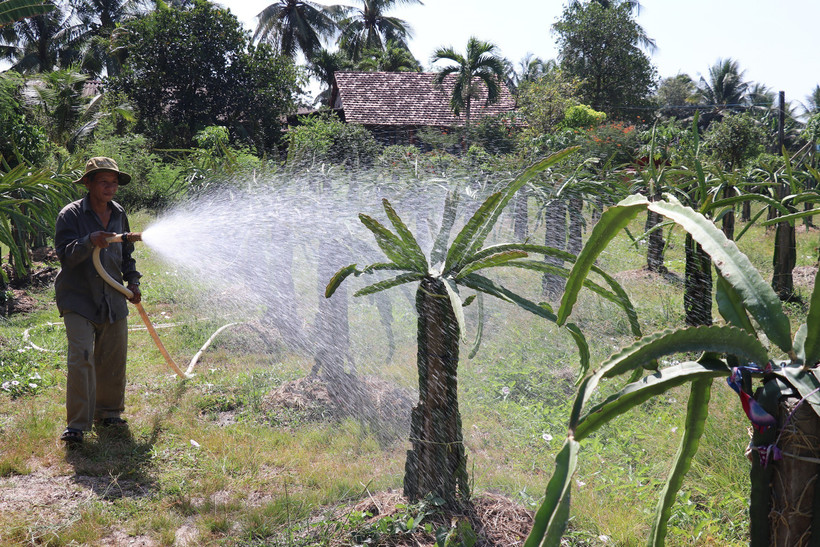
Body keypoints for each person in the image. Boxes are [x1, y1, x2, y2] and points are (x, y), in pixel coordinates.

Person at [54, 157, 142, 444]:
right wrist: (89, 240)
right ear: (88, 183)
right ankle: (77, 425)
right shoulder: (71, 215)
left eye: (114, 182)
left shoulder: (119, 213)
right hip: (78, 297)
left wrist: (132, 282)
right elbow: (66, 256)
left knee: (112, 358)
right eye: (103, 181)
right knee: (81, 358)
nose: (110, 187)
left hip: (113, 296)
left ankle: (109, 413)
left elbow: (126, 253)